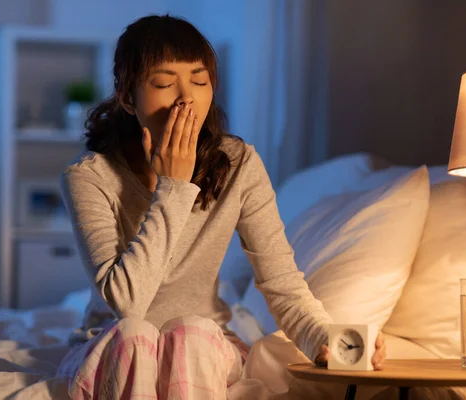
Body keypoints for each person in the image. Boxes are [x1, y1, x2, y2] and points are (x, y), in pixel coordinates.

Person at [55, 14, 385, 399]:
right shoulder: (89, 175)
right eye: (163, 83)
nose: (186, 97)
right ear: (128, 96)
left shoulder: (239, 163)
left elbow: (281, 282)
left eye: (199, 81)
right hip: (114, 342)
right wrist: (174, 188)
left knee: (189, 333)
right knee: (134, 335)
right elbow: (127, 305)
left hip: (202, 343)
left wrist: (325, 341)